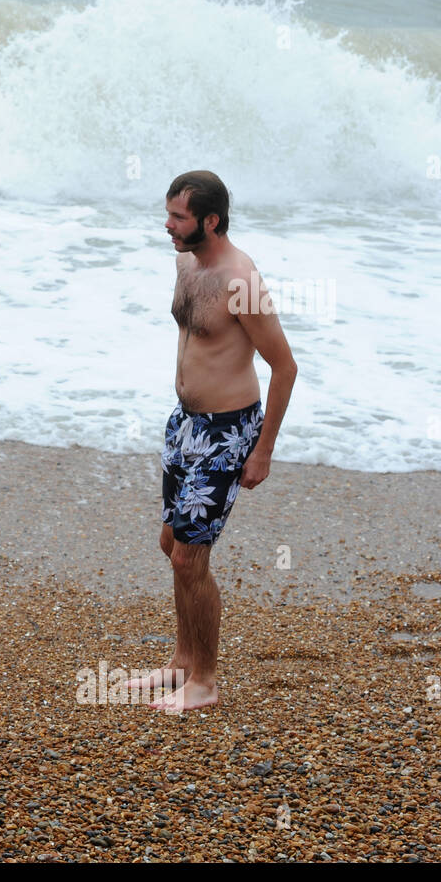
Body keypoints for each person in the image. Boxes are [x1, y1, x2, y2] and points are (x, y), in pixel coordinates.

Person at [127, 171, 297, 712]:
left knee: (188, 558)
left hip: (227, 432)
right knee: (170, 545)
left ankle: (205, 682)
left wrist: (262, 450)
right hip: (186, 424)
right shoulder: (185, 264)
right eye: (169, 213)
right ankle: (180, 660)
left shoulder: (241, 280)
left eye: (178, 217)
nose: (168, 225)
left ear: (211, 220)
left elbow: (285, 367)